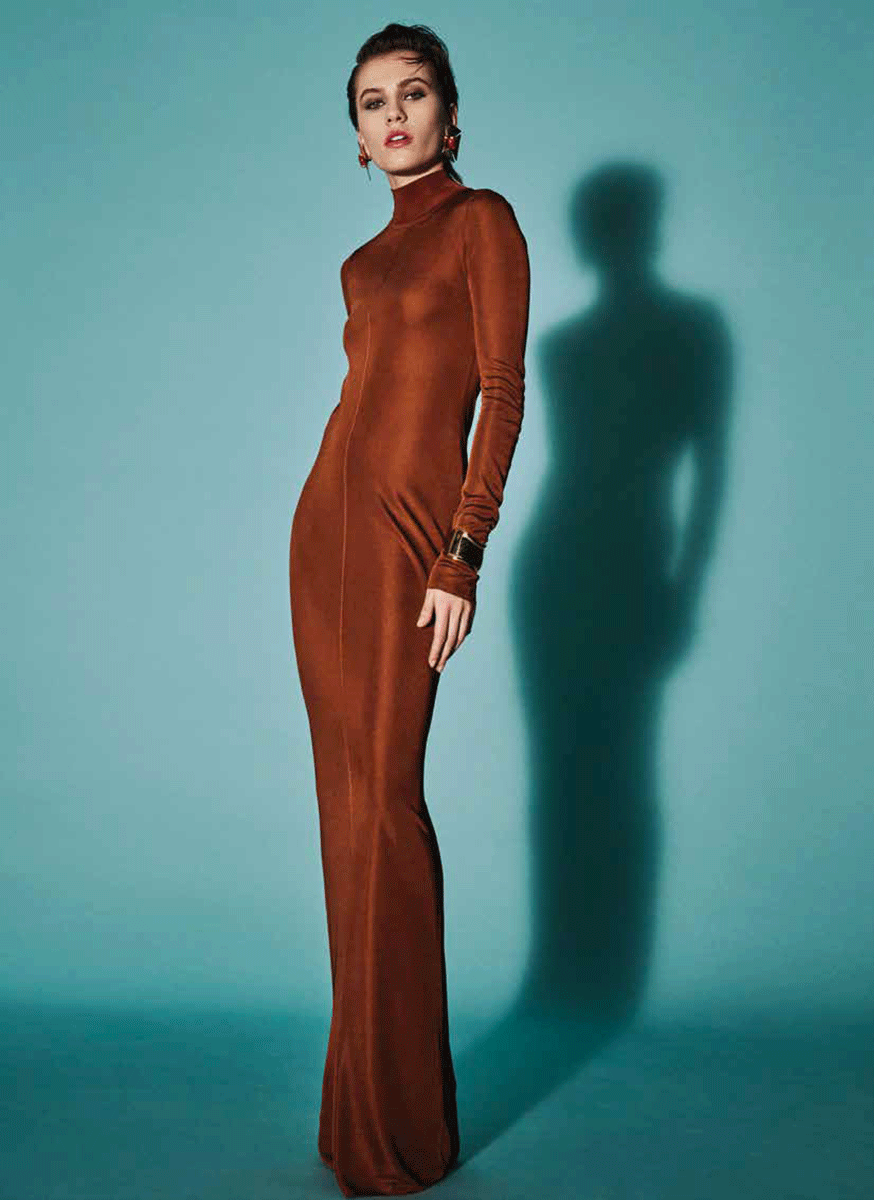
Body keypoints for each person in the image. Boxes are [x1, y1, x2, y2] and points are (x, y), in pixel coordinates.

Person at [288, 21, 530, 1197]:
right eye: (372, 102)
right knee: (345, 820)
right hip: (324, 535)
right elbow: (365, 404)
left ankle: (408, 1131)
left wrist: (462, 551)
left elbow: (501, 392)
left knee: (385, 806)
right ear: (356, 136)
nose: (393, 115)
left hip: (411, 543)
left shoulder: (482, 222)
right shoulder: (360, 262)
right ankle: (356, 1109)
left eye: (413, 93)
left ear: (450, 113)